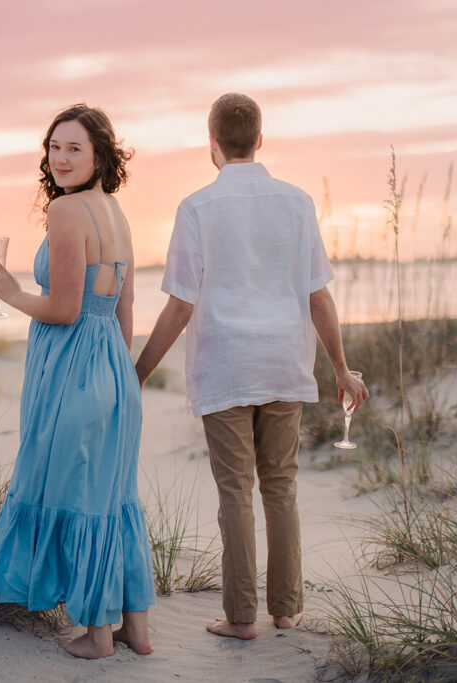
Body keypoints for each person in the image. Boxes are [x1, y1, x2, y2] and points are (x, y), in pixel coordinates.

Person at [134, 93, 368, 640]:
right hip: (284, 364)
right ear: (261, 140)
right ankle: (286, 610)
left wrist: (138, 371)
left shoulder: (196, 207)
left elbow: (180, 305)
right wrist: (341, 367)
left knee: (236, 491)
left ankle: (241, 618)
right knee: (281, 487)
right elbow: (319, 298)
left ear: (210, 145)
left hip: (226, 369)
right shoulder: (297, 202)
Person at [0, 104, 155, 659]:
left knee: (79, 499)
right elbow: (124, 311)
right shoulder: (115, 212)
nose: (61, 158)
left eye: (75, 148)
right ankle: (135, 630)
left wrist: (11, 295)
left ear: (100, 155)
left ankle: (98, 636)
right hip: (113, 373)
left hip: (74, 372)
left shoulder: (67, 212)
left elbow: (65, 308)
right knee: (113, 500)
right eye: (55, 147)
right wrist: (120, 380)